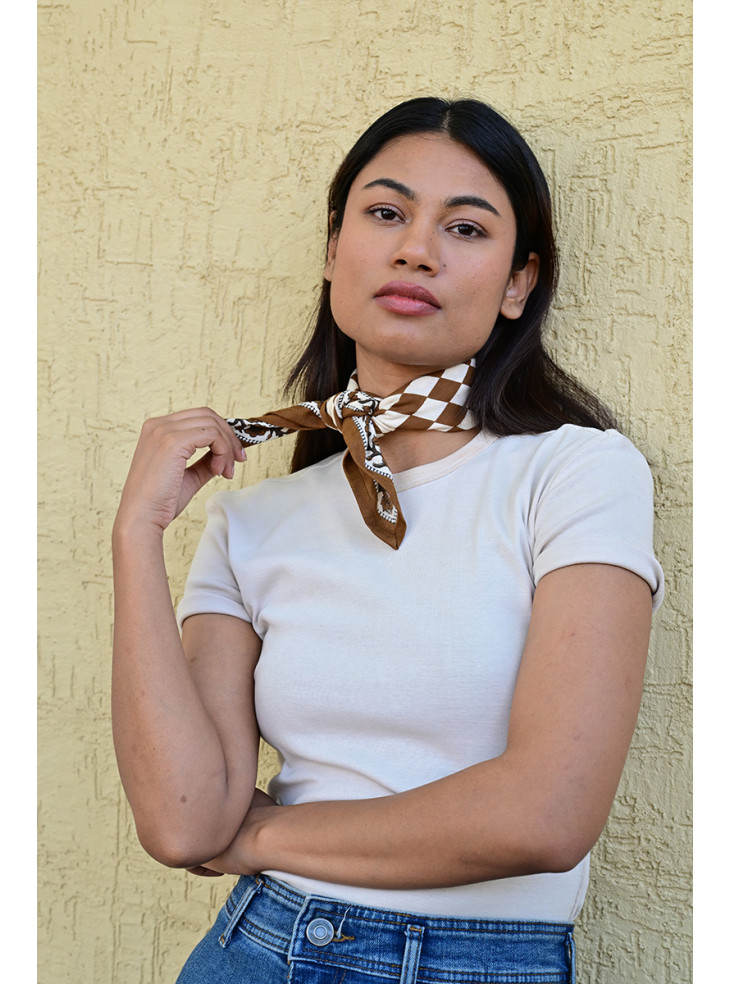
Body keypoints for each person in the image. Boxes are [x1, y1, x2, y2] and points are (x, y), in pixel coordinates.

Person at [112, 97, 664, 983]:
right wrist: (136, 534)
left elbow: (550, 814)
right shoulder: (252, 522)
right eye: (385, 213)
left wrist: (261, 836)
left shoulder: (577, 472)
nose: (416, 249)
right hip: (257, 949)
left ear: (519, 283)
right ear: (335, 249)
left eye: (466, 228)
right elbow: (183, 822)